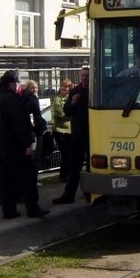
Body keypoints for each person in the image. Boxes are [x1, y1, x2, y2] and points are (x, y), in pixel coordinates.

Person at [0, 70, 49, 219]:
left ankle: (9, 211)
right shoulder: (12, 100)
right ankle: (33, 208)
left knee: (5, 181)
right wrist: (27, 144)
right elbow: (20, 124)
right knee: (27, 178)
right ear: (12, 84)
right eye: (16, 83)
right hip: (14, 147)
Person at [53, 66, 89, 204]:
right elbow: (67, 111)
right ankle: (69, 195)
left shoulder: (95, 90)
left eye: (87, 76)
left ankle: (90, 193)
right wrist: (73, 103)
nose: (84, 78)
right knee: (74, 167)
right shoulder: (75, 91)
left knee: (91, 167)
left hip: (93, 135)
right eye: (82, 76)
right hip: (77, 134)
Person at [51, 79, 73, 182]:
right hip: (60, 131)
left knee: (71, 154)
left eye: (66, 86)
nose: (63, 88)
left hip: (71, 130)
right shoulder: (57, 99)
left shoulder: (71, 98)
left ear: (70, 88)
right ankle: (63, 176)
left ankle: (68, 175)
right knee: (66, 154)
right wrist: (72, 117)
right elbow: (60, 113)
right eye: (62, 86)